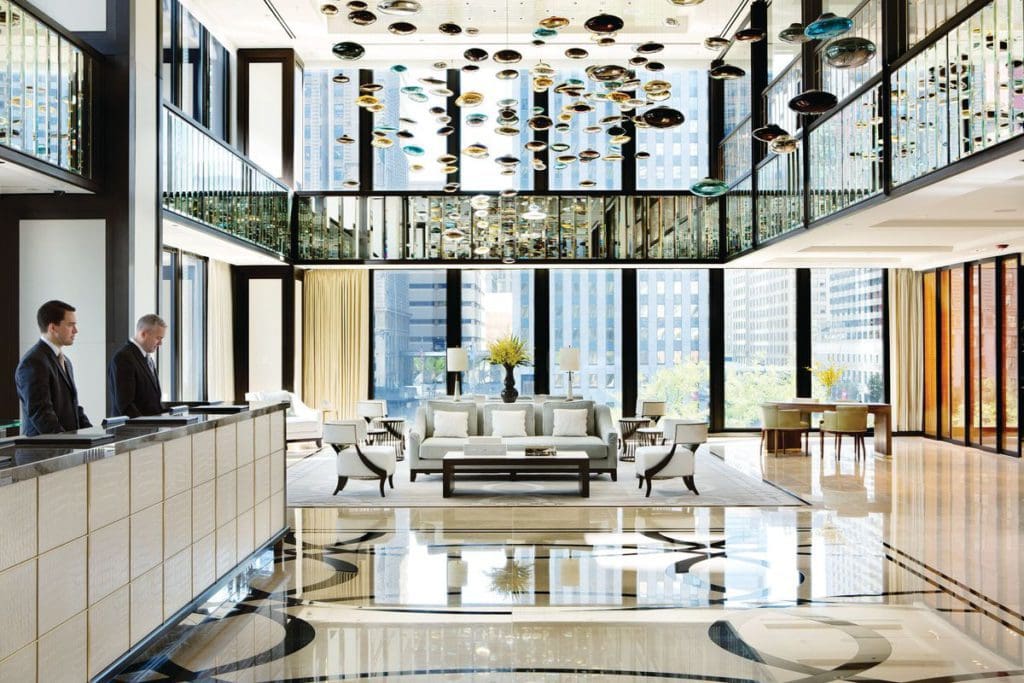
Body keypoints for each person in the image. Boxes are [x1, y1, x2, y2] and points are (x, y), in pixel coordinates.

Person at [15, 300, 92, 436]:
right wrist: (65, 442)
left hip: (66, 447)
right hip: (44, 451)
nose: (76, 331)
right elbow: (40, 412)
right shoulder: (33, 362)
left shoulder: (65, 361)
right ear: (53, 328)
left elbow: (73, 406)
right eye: (70, 325)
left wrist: (93, 434)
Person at [108, 314, 167, 417]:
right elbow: (125, 405)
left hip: (150, 428)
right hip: (133, 430)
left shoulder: (148, 359)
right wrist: (146, 426)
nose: (160, 343)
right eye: (158, 338)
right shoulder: (123, 358)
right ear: (144, 334)